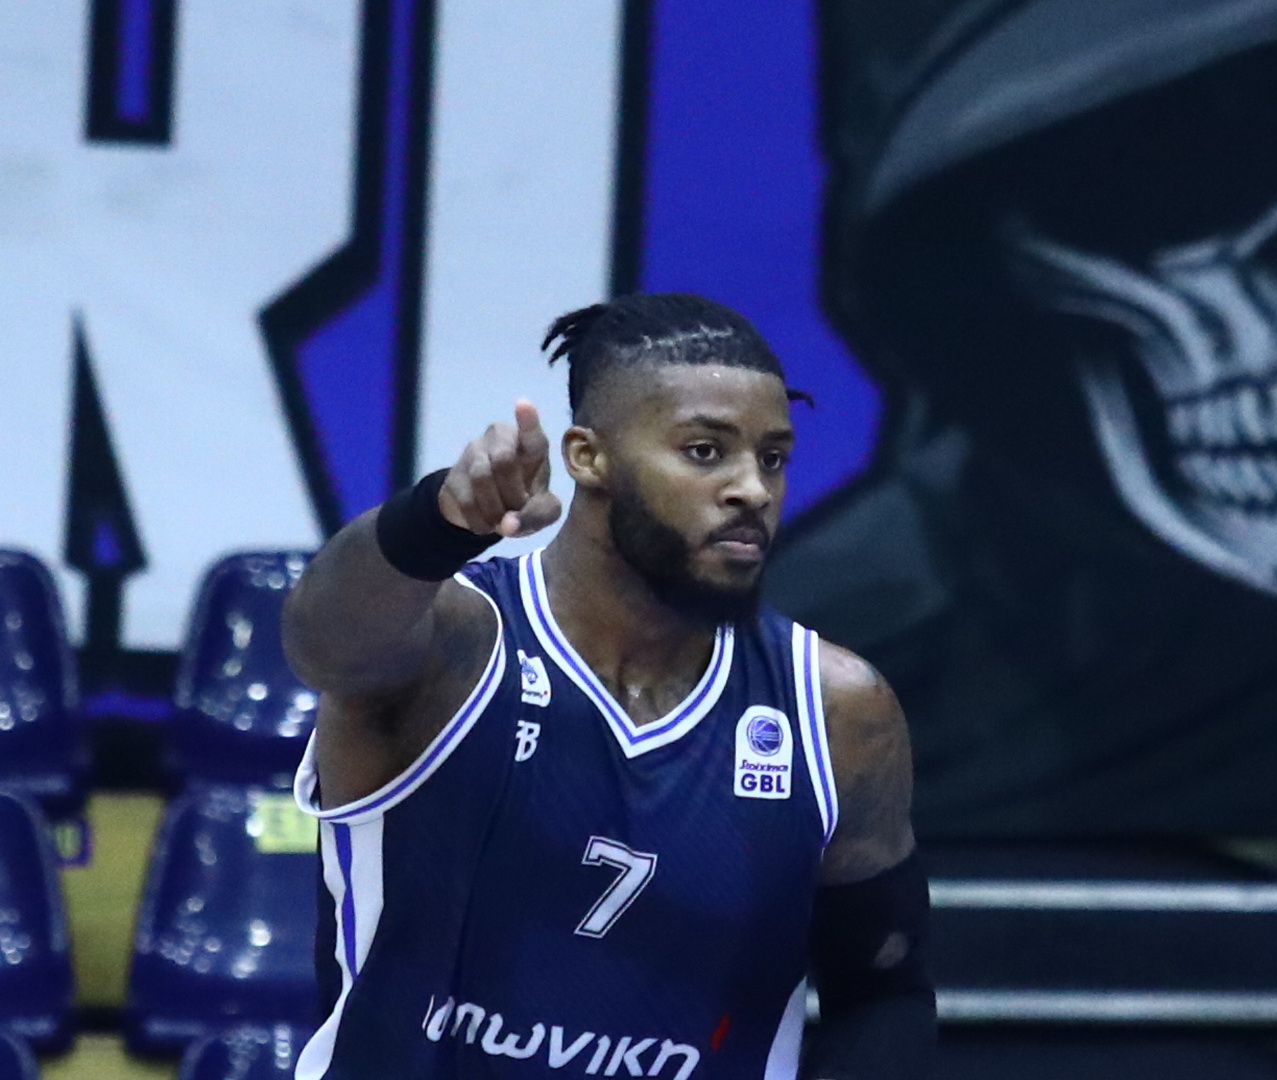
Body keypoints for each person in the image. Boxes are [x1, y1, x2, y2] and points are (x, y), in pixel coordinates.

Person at [282, 294, 935, 1079]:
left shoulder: (835, 711)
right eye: (705, 451)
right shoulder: (459, 646)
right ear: (588, 458)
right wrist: (434, 522)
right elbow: (322, 643)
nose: (753, 490)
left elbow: (883, 993)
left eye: (772, 458)